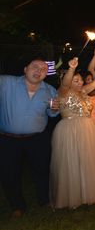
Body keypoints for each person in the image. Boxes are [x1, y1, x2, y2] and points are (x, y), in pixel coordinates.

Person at [50, 56, 95, 209]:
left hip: (87, 129)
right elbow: (66, 82)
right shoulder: (63, 92)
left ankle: (90, 191)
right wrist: (72, 68)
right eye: (76, 80)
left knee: (88, 161)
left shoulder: (84, 91)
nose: (80, 82)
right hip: (70, 129)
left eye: (80, 80)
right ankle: (75, 195)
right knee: (72, 162)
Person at [0, 57, 59, 217]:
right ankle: (17, 206)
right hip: (8, 139)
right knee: (9, 173)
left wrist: (55, 109)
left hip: (37, 138)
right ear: (25, 69)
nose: (39, 71)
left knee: (42, 170)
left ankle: (44, 200)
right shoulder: (6, 83)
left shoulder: (50, 90)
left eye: (43, 69)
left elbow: (53, 114)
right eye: (35, 67)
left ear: (46, 74)